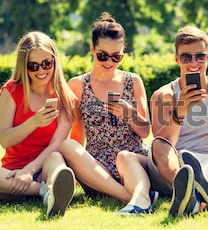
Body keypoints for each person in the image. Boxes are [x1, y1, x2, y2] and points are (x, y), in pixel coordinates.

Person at [59, 12, 155, 215]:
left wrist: (130, 114)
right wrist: (78, 169)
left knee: (124, 156)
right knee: (67, 146)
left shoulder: (133, 81)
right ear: (92, 49)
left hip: (131, 162)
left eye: (116, 56)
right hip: (97, 169)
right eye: (103, 55)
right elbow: (77, 136)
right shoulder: (77, 85)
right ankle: (135, 197)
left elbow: (146, 132)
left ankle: (138, 195)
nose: (109, 62)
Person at [148, 25, 208, 218]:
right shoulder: (163, 95)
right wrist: (179, 111)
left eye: (200, 56)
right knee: (157, 145)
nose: (194, 62)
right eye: (186, 57)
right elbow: (163, 144)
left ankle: (192, 200)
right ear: (177, 59)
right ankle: (184, 186)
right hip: (175, 164)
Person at [0, 31, 76, 217]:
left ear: (54, 61)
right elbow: (5, 140)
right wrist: (33, 122)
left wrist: (30, 170)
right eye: (33, 66)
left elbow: (56, 144)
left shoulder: (65, 97)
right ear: (23, 66)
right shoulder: (11, 91)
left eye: (46, 64)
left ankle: (52, 189)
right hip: (10, 175)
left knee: (57, 159)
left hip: (44, 168)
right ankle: (43, 192)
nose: (41, 71)